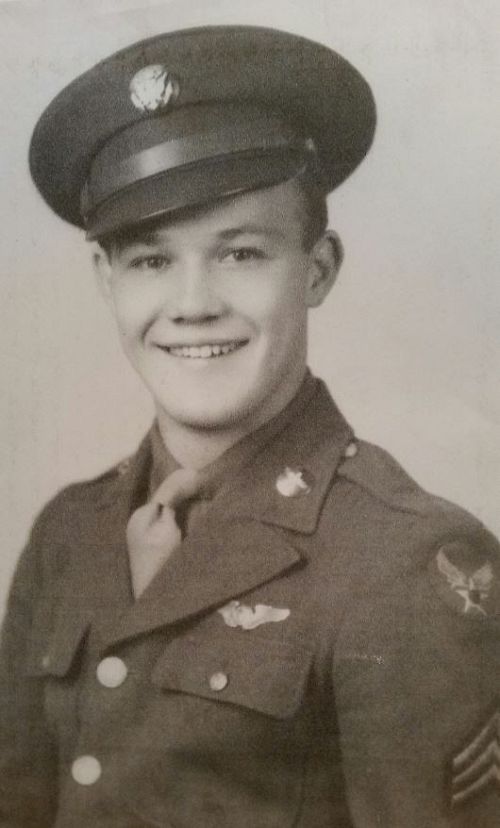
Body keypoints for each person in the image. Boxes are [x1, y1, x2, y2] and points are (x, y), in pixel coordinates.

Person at [0, 23, 499, 828]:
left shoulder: (403, 561)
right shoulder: (66, 534)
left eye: (240, 253)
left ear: (318, 269)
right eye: (151, 260)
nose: (193, 304)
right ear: (105, 279)